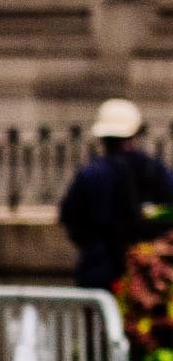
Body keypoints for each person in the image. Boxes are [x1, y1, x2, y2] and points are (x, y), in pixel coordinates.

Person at [58, 97, 173, 289]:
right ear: (135, 132)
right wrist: (147, 217)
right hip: (146, 276)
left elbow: (70, 217)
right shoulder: (155, 170)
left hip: (99, 271)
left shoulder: (90, 174)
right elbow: (169, 213)